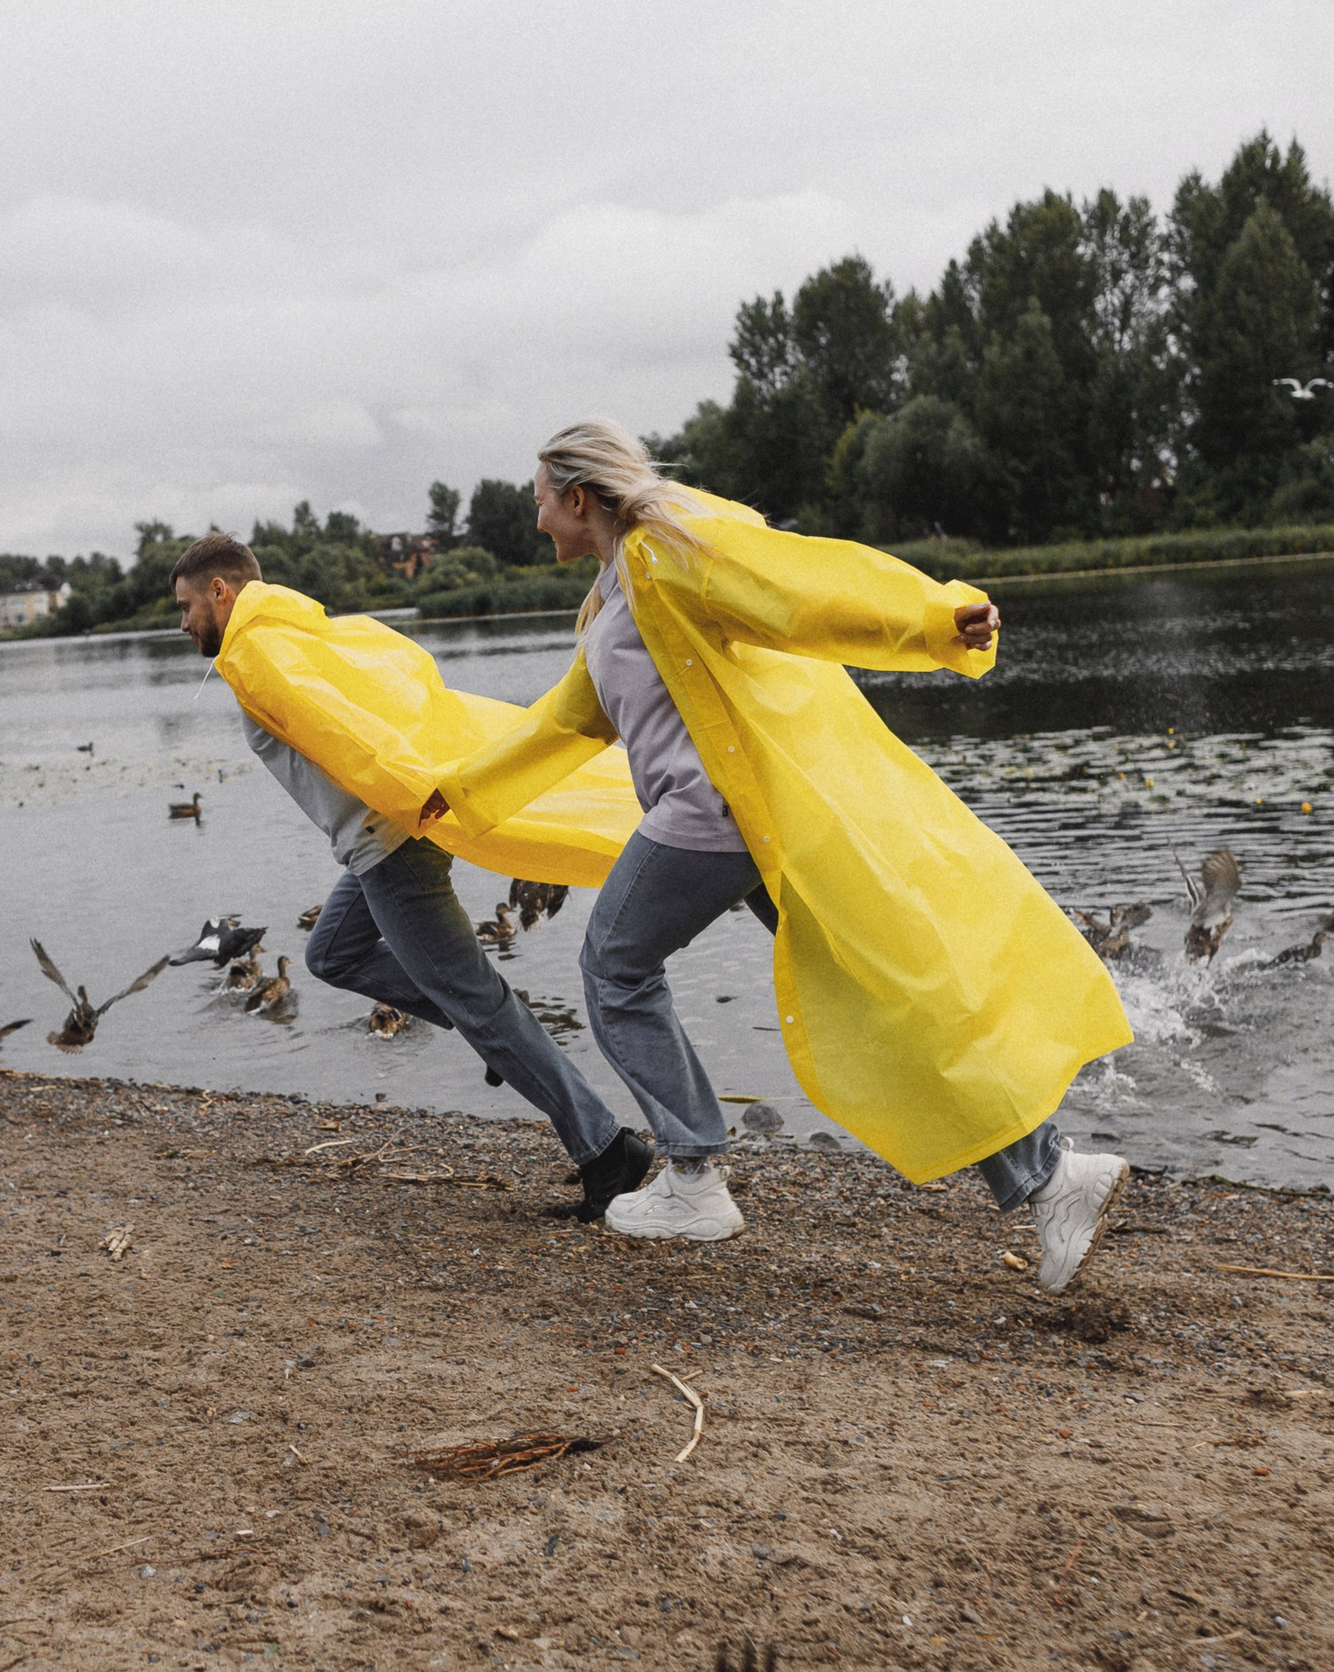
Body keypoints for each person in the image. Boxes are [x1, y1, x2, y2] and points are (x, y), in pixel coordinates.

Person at [433, 420, 1136, 1291]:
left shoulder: (662, 554)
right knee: (876, 989)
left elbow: (797, 593)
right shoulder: (615, 593)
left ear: (577, 498)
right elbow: (567, 719)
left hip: (709, 815)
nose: (536, 518)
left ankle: (693, 1178)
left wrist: (931, 619)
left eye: (539, 500)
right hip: (740, 824)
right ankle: (1051, 1176)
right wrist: (462, 790)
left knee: (612, 966)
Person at [170, 533, 656, 1222]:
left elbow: (345, 728)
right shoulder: (294, 631)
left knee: (480, 1004)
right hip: (381, 840)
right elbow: (385, 678)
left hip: (389, 842)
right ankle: (486, 1021)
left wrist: (411, 791)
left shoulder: (256, 650)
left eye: (186, 606)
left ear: (220, 592)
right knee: (331, 955)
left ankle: (607, 1150)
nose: (183, 623)